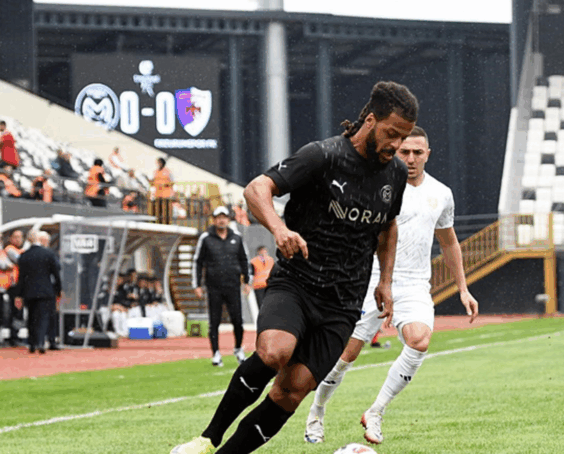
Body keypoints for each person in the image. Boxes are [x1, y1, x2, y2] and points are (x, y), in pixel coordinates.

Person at [171, 80, 418, 454]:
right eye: (392, 133)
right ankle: (208, 439)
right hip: (298, 282)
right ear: (370, 120)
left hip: (344, 301)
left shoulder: (395, 174)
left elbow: (387, 227)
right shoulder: (323, 156)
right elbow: (256, 189)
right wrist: (279, 228)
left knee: (293, 390)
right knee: (275, 352)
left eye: (403, 137)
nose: (396, 145)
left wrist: (385, 281)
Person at [304, 126, 479, 445]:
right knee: (345, 355)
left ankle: (376, 411)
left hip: (414, 284)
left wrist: (463, 289)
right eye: (404, 152)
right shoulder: (374, 184)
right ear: (395, 151)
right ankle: (317, 411)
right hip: (370, 279)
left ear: (428, 154)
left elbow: (449, 242)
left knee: (419, 340)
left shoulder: (441, 193)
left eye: (417, 152)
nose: (411, 158)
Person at [192, 206, 250, 367]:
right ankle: (216, 353)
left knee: (237, 320)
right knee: (214, 321)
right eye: (218, 217)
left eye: (224, 217)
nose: (221, 220)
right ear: (214, 220)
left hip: (233, 285)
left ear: (228, 219)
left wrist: (247, 281)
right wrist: (197, 284)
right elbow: (198, 262)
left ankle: (238, 348)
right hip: (214, 286)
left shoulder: (237, 237)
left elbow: (244, 259)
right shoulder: (206, 238)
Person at [12, 230, 61, 354]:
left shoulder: (24, 255)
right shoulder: (48, 254)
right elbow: (56, 273)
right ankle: (40, 341)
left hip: (29, 291)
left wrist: (19, 294)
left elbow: (21, 277)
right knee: (43, 316)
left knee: (31, 316)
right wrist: (58, 290)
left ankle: (32, 343)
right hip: (45, 290)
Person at [4, 230, 25, 346]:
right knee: (16, 310)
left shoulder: (20, 251)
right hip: (13, 285)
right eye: (16, 237)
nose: (18, 239)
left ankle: (16, 334)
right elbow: (21, 261)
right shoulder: (9, 249)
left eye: (20, 237)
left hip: (19, 285)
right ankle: (14, 336)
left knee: (19, 311)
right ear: (10, 238)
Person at [249, 246, 274, 310]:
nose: (264, 253)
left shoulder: (270, 260)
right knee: (262, 305)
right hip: (259, 286)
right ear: (259, 252)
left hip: (269, 285)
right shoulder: (254, 262)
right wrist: (249, 284)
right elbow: (251, 274)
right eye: (263, 251)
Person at [152, 157, 174, 223]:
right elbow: (154, 181)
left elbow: (172, 182)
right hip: (158, 194)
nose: (158, 164)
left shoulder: (168, 172)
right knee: (158, 210)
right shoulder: (156, 172)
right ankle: (159, 222)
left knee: (166, 210)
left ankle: (167, 223)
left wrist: (164, 184)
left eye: (159, 163)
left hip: (166, 194)